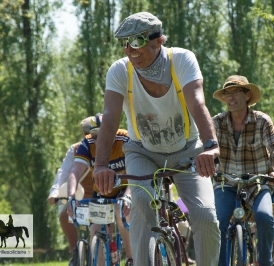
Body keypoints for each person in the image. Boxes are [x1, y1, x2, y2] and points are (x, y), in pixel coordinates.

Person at [92, 12, 221, 265]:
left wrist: (211, 146)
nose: (130, 49)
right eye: (124, 43)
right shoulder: (120, 70)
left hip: (187, 150)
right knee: (140, 203)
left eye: (137, 41)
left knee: (205, 215)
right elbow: (109, 117)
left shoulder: (182, 59)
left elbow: (197, 102)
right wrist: (100, 165)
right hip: (143, 152)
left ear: (158, 40)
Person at [212, 75, 274, 266]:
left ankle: (265, 262)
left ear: (247, 96)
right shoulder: (217, 122)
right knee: (218, 222)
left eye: (235, 92)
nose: (230, 97)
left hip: (257, 184)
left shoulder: (262, 121)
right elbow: (205, 149)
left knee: (264, 217)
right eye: (226, 94)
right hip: (226, 183)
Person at [66, 114, 133, 266]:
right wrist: (71, 197)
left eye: (104, 135)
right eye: (95, 136)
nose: (99, 140)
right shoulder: (88, 143)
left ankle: (131, 259)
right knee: (95, 231)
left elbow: (136, 173)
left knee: (121, 214)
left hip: (125, 187)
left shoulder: (126, 139)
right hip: (102, 190)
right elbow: (75, 171)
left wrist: (128, 196)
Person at [46, 116, 94, 266]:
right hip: (81, 197)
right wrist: (54, 193)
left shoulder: (107, 147)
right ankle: (75, 254)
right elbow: (64, 172)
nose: (89, 137)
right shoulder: (75, 149)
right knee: (64, 215)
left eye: (92, 133)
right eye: (86, 133)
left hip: (102, 195)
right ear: (82, 134)